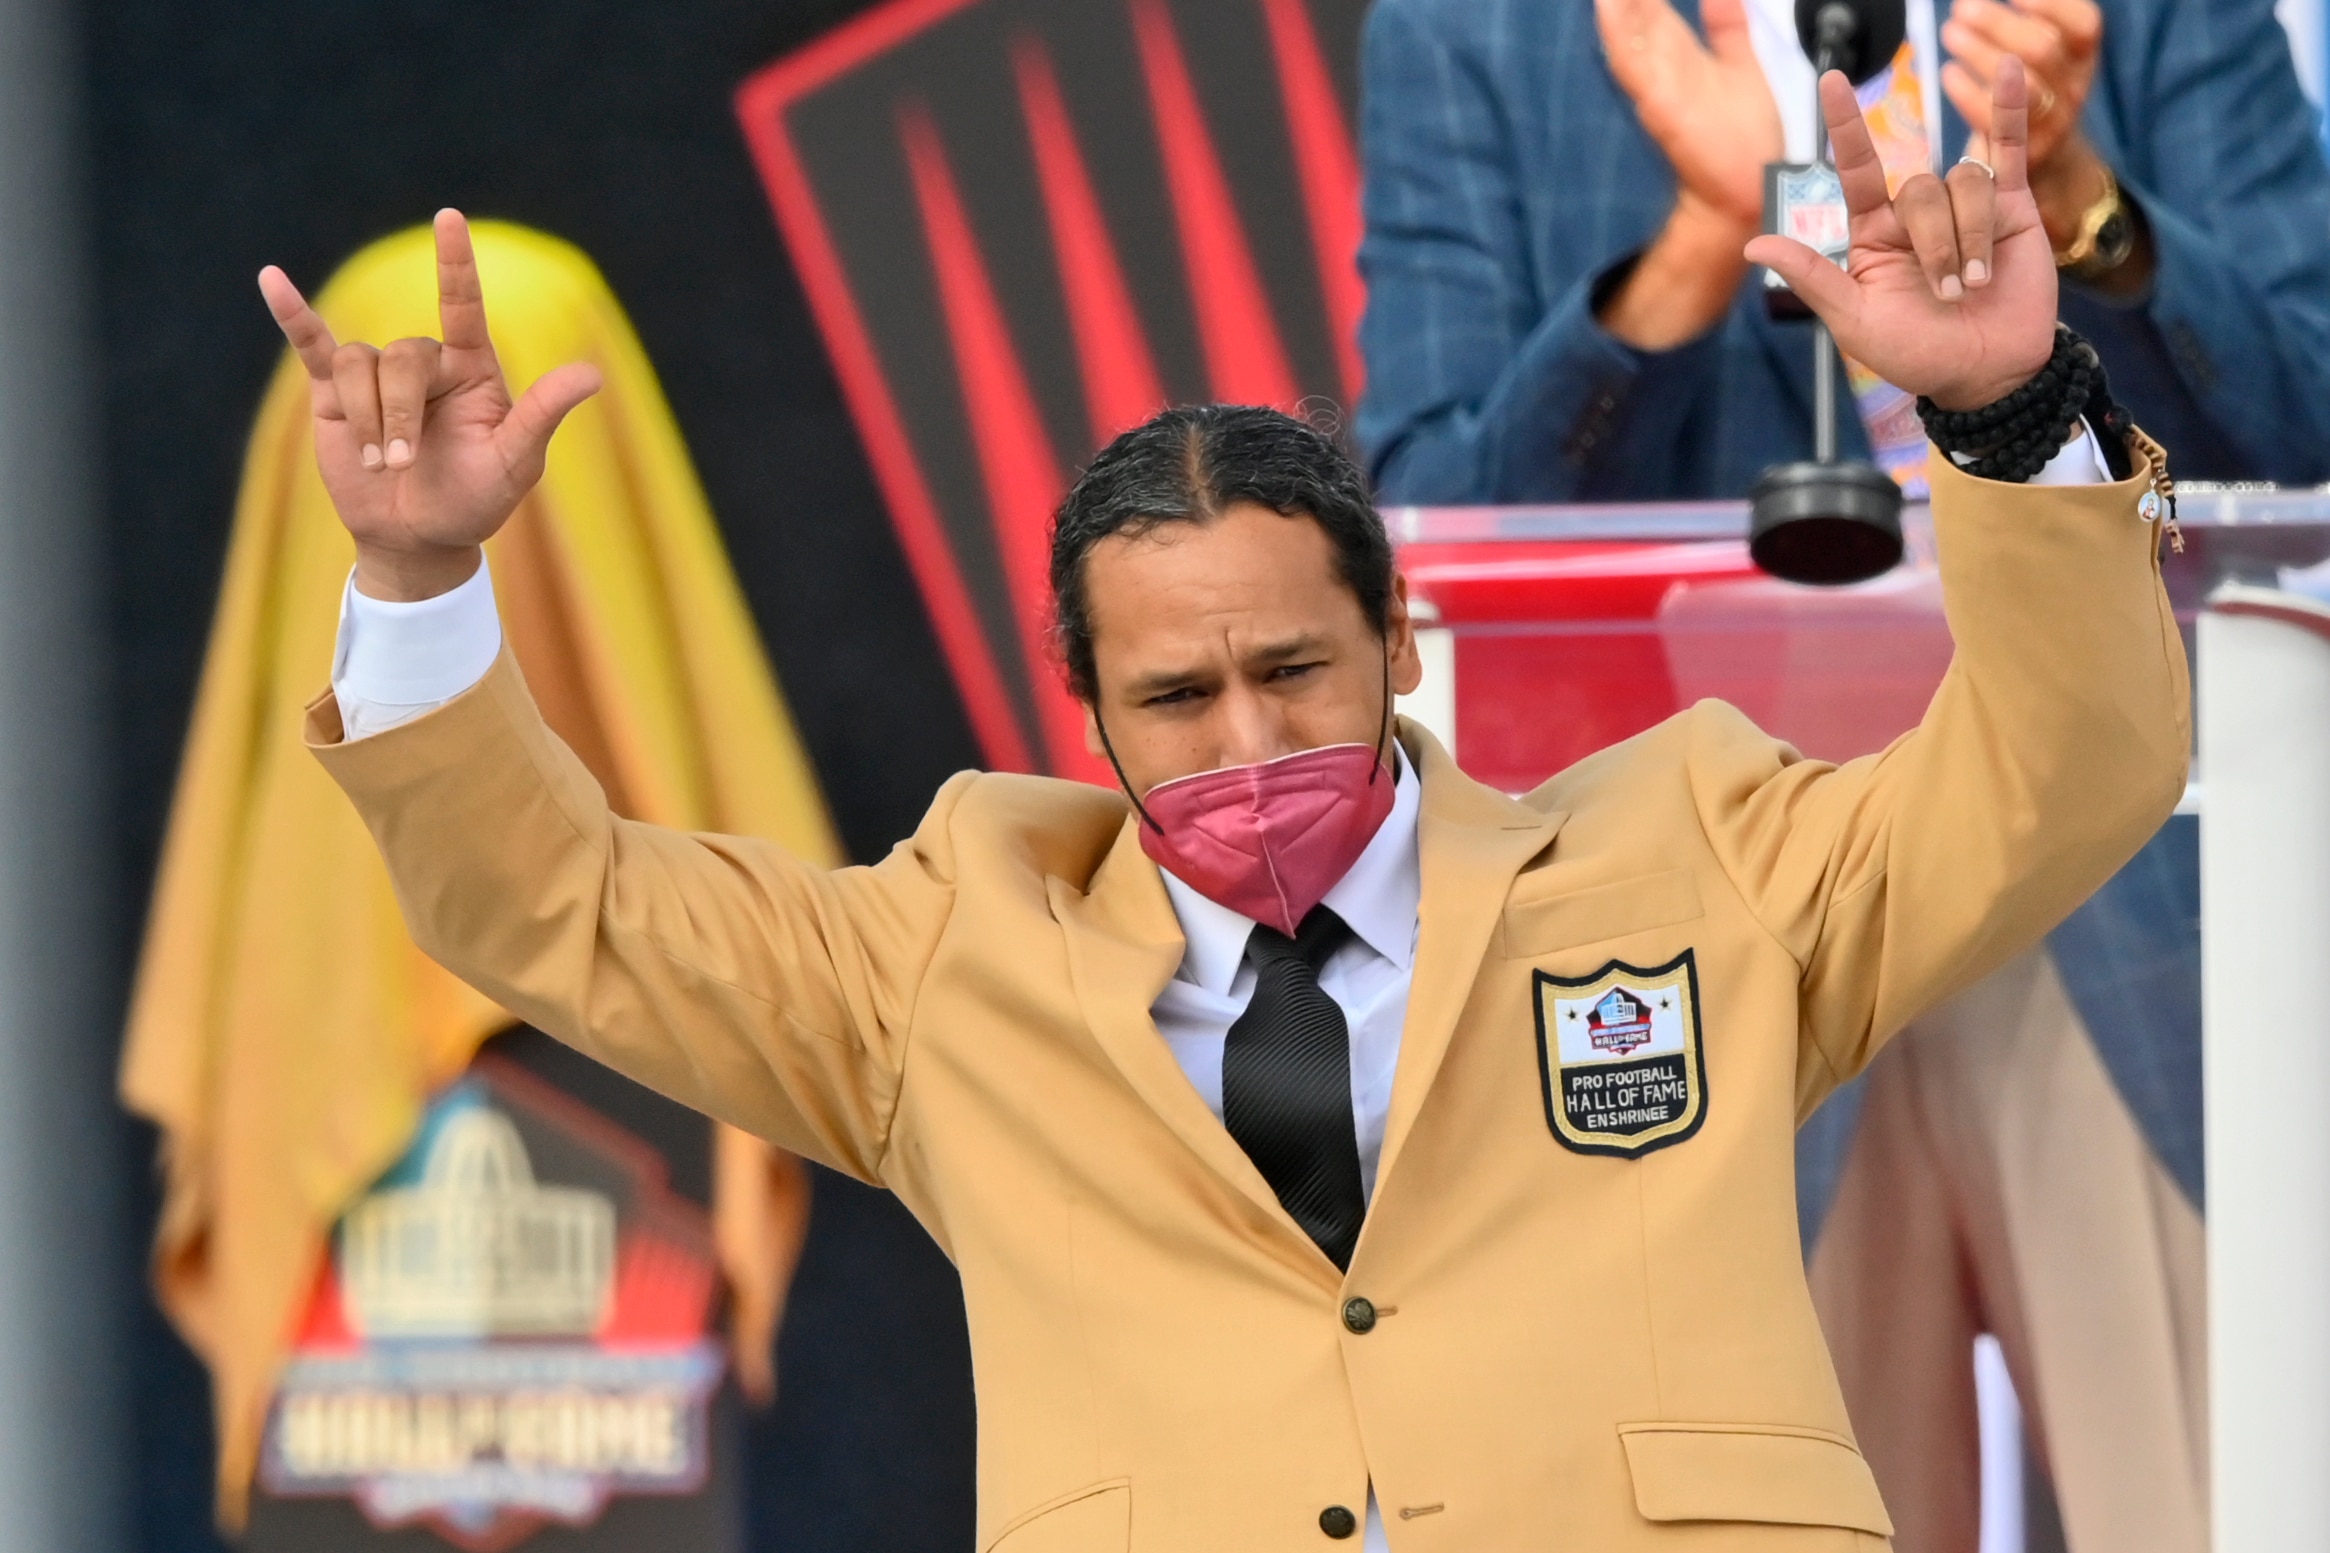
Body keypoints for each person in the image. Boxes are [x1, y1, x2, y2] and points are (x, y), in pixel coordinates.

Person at [268, 69, 2185, 1551]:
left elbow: (2064, 770)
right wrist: (422, 584)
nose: (1249, 733)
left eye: (1295, 669)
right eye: (1178, 698)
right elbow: (555, 904)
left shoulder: (1694, 858)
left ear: (1398, 639)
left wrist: (2011, 417)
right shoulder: (945, 964)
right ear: (1085, 706)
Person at [1354, 0, 2330, 500]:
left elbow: (2306, 430)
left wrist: (2080, 204)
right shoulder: (1467, 30)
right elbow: (1431, 515)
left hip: (2111, 760)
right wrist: (1704, 240)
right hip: (1686, 777)